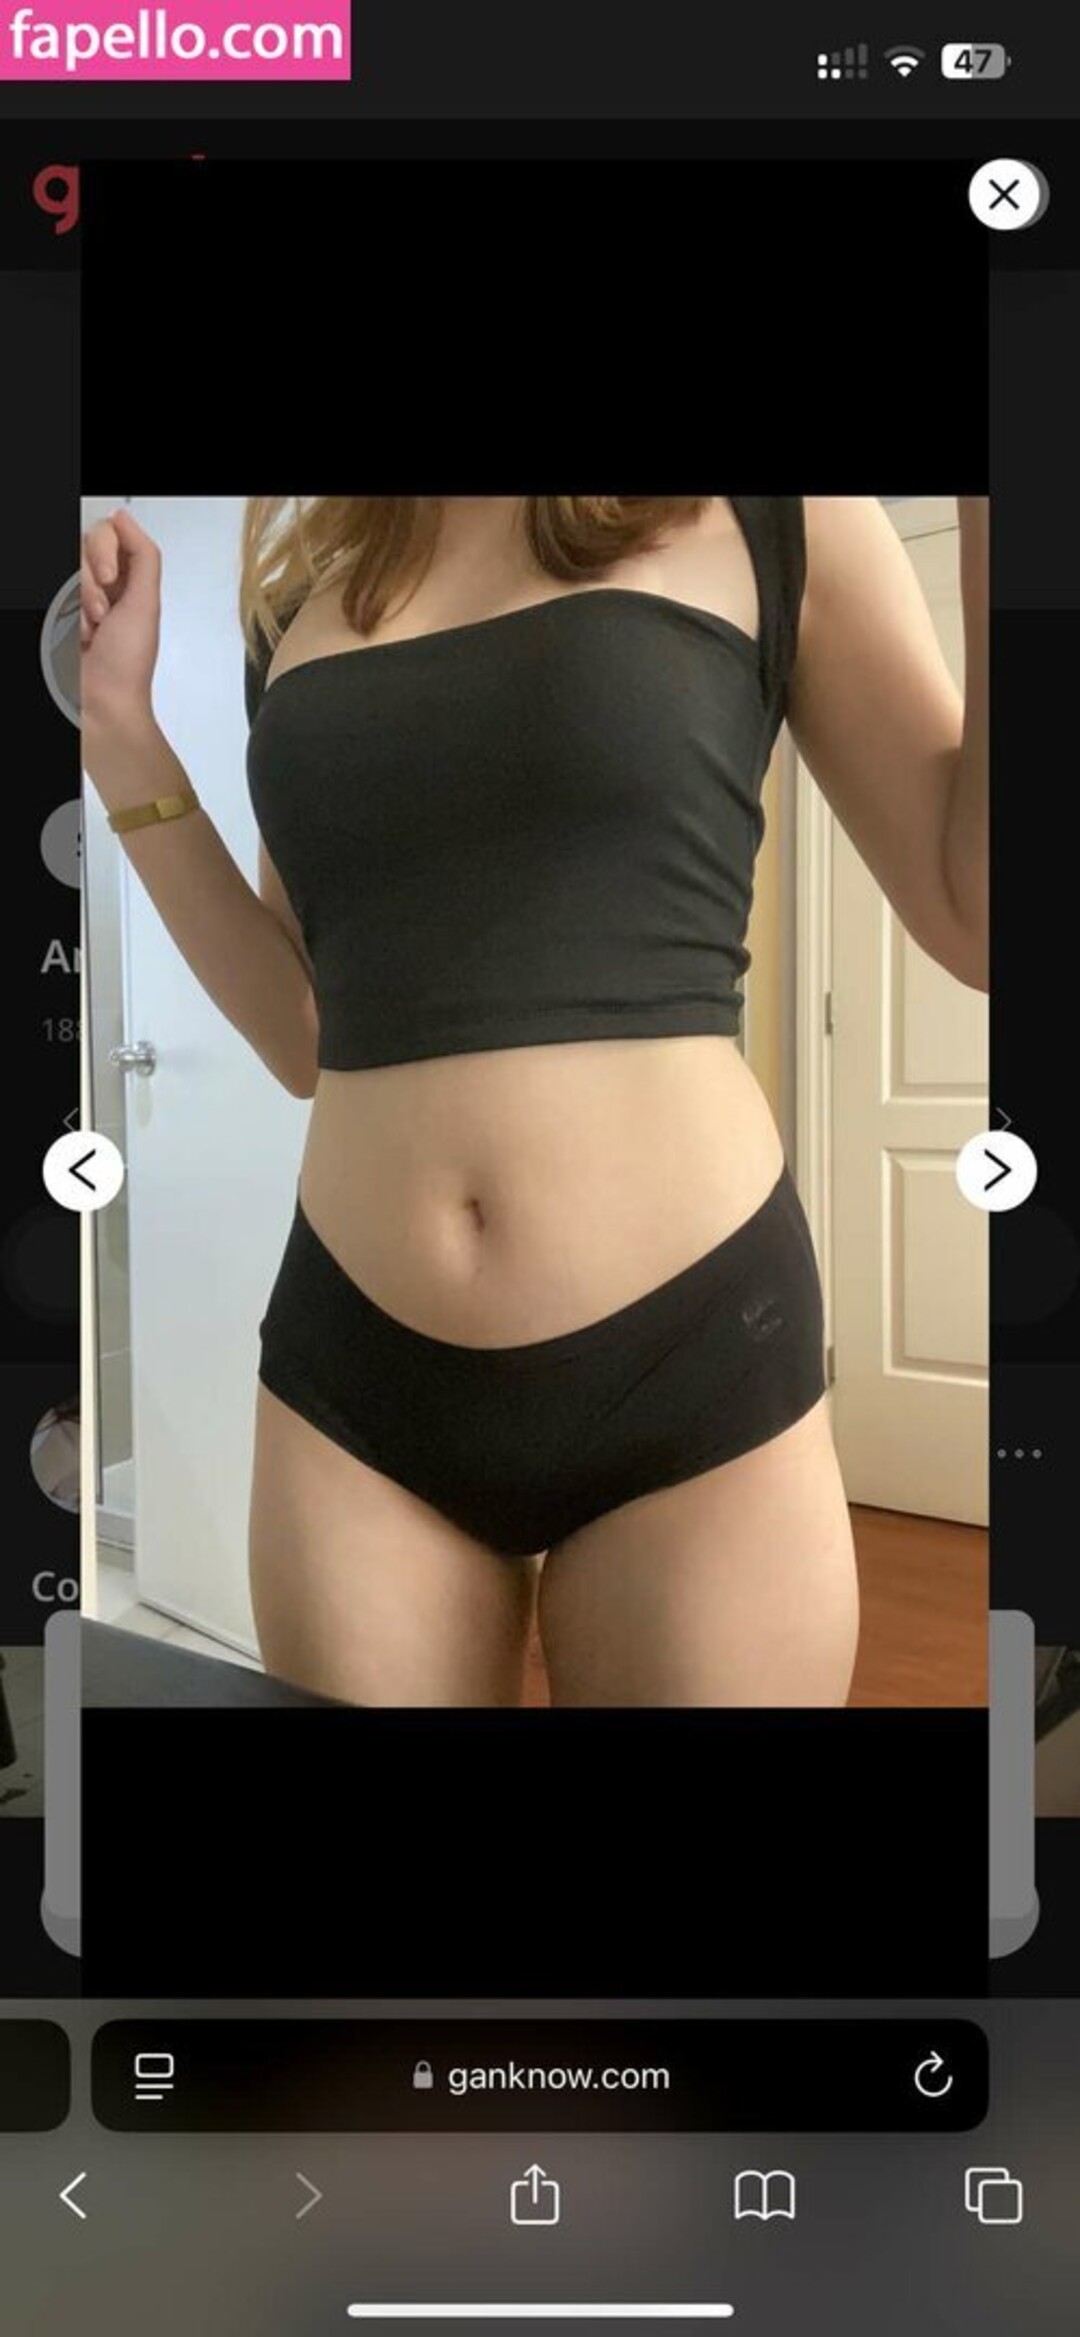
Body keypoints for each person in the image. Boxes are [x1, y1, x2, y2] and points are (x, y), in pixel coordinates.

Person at [80, 494, 988, 1711]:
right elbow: (305, 1034)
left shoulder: (779, 518)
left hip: (691, 1356)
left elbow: (979, 915)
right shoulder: (300, 601)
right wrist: (122, 737)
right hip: (356, 1382)